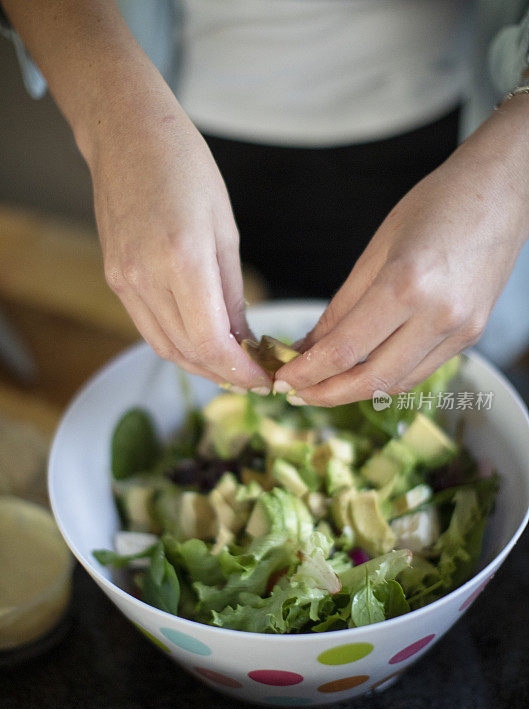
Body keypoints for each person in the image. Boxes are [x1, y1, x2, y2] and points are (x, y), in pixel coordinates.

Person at [2, 0, 529, 406]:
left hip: (466, 129)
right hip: (178, 133)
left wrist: (514, 173)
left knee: (458, 367)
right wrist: (112, 117)